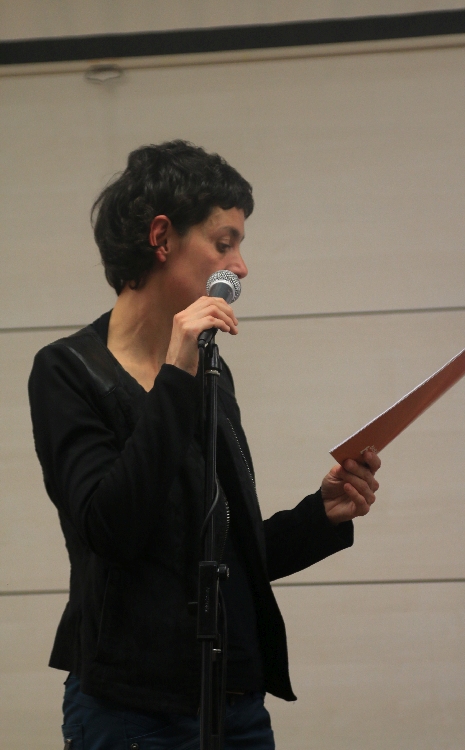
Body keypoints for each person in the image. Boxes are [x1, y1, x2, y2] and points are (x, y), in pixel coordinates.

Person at [28, 140, 380, 749]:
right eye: (224, 243)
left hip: (235, 704)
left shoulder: (210, 371)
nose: (240, 267)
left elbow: (216, 557)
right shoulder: (69, 372)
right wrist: (177, 372)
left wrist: (319, 516)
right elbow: (112, 530)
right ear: (161, 238)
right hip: (133, 713)